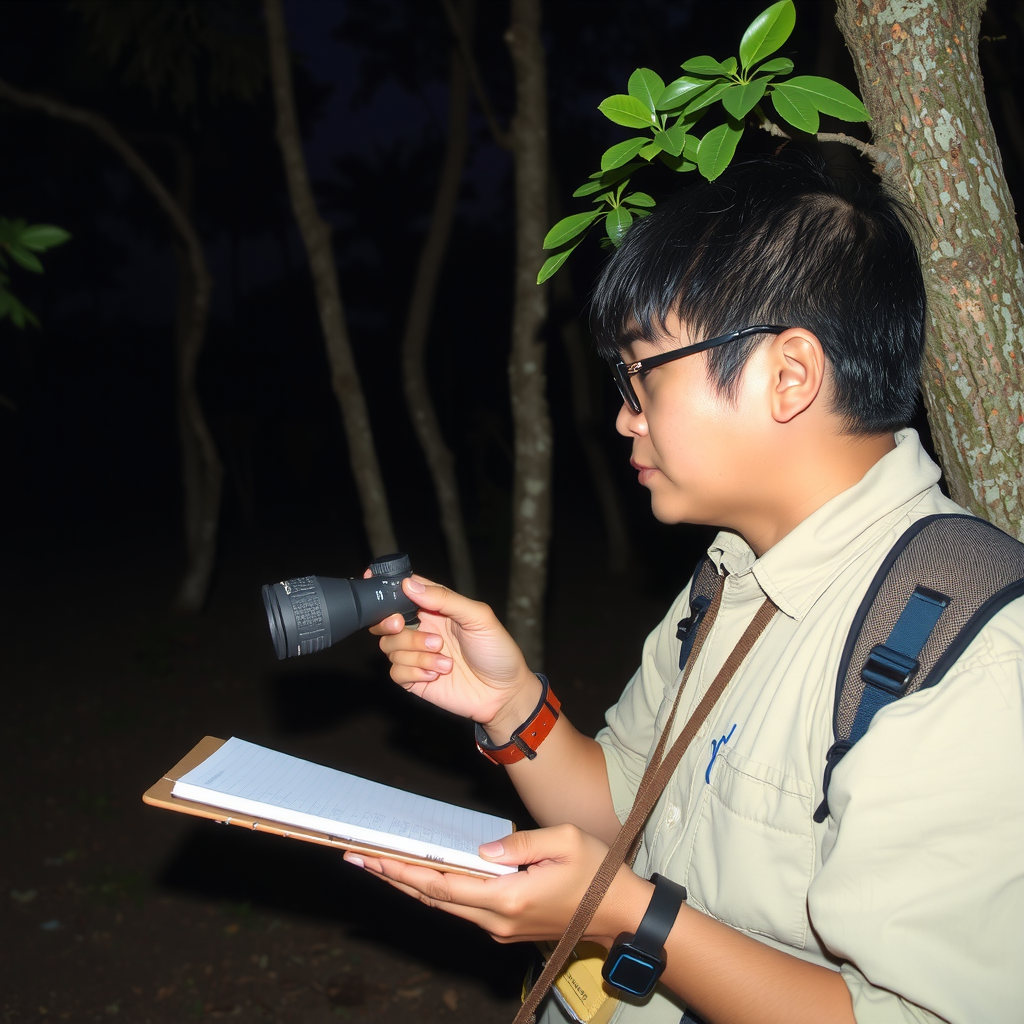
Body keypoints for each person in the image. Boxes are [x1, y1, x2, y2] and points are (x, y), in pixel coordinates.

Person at [343, 156, 1024, 1024]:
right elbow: (629, 809)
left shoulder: (966, 652)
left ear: (789, 375)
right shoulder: (728, 575)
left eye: (644, 374)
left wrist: (627, 917)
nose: (625, 415)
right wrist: (509, 706)